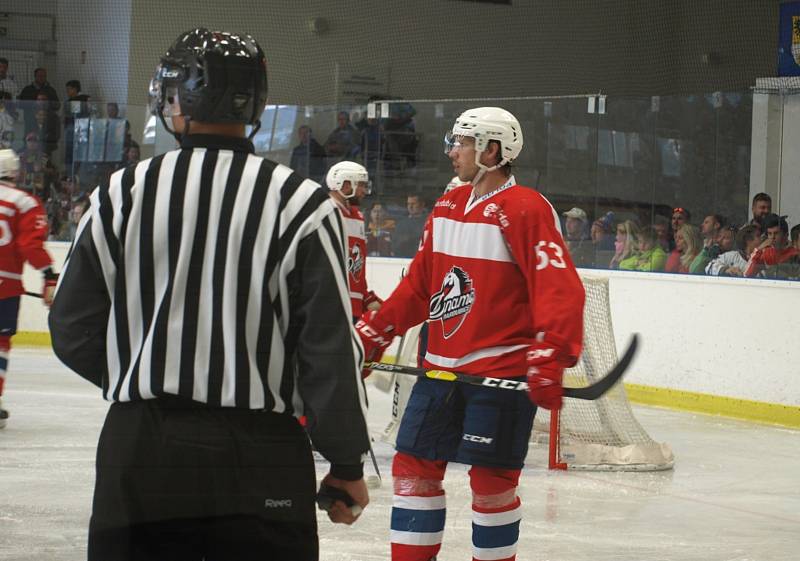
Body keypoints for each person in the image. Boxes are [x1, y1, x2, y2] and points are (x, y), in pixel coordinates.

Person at [48, 28, 371, 561]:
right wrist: (346, 465)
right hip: (261, 451)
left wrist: (142, 372)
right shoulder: (303, 204)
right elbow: (328, 350)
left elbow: (72, 327)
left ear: (176, 99)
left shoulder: (120, 194)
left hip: (142, 448)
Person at [355, 107, 585, 561]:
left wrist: (551, 352)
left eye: (461, 142)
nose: (451, 150)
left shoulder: (525, 208)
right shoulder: (447, 205)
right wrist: (374, 331)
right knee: (413, 470)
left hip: (498, 371)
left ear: (492, 150)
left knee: (492, 484)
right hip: (438, 371)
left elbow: (558, 287)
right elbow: (421, 286)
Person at [0, 149, 57, 428]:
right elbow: (29, 245)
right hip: (5, 286)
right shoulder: (24, 202)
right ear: (15, 172)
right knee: (0, 344)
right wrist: (49, 276)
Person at [326, 160, 382, 317]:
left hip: (354, 307)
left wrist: (366, 297)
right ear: (344, 184)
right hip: (331, 306)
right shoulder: (326, 213)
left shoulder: (357, 216)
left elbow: (357, 267)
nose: (365, 191)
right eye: (361, 185)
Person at [744, 213, 800, 278]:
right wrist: (759, 249)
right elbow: (747, 275)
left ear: (786, 235)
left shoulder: (795, 254)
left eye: (776, 233)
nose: (772, 237)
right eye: (770, 234)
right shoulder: (766, 253)